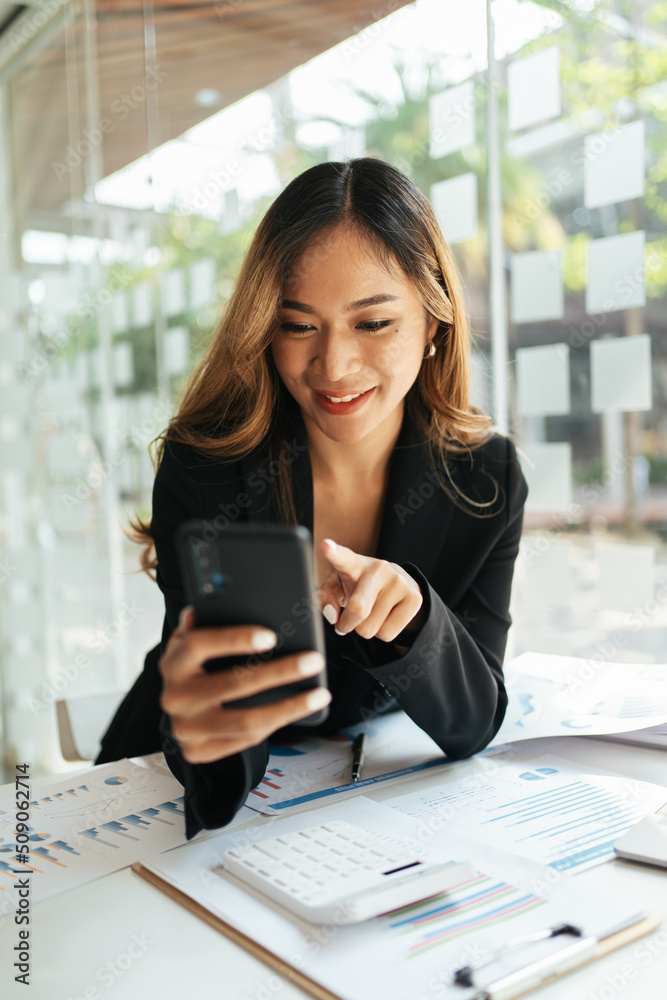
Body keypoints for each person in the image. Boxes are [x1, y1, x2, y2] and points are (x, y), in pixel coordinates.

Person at [96, 157, 528, 840]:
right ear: (265, 329)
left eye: (373, 323)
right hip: (169, 780)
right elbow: (219, 705)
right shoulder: (207, 465)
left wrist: (415, 622)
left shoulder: (486, 476)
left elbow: (474, 719)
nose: (332, 366)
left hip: (355, 808)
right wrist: (212, 739)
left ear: (434, 324)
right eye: (298, 325)